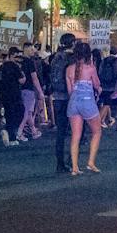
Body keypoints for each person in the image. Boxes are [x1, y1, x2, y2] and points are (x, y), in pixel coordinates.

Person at [65, 41, 102, 174]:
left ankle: (75, 167)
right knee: (97, 132)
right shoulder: (90, 68)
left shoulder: (69, 69)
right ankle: (91, 162)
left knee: (76, 135)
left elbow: (70, 91)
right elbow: (97, 84)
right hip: (87, 102)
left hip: (73, 103)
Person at [46, 32, 75, 172]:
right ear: (73, 43)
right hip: (70, 96)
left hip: (58, 96)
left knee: (61, 132)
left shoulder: (55, 57)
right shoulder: (72, 58)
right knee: (76, 130)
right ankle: (71, 160)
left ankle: (60, 163)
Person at [0, 46, 26, 146]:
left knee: (9, 115)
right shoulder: (14, 66)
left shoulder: (2, 67)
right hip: (14, 94)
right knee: (19, 113)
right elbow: (22, 80)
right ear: (12, 55)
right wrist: (22, 73)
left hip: (4, 94)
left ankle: (8, 134)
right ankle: (11, 136)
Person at [18, 42, 45, 141]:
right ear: (26, 49)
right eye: (32, 49)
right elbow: (34, 78)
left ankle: (33, 131)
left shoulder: (18, 61)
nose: (34, 51)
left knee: (28, 112)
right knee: (27, 112)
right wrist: (40, 91)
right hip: (29, 89)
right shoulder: (30, 62)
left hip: (19, 89)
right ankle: (19, 132)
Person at [97, 46, 117, 130]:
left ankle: (100, 121)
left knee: (106, 103)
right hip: (115, 86)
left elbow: (100, 72)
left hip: (105, 86)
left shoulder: (104, 61)